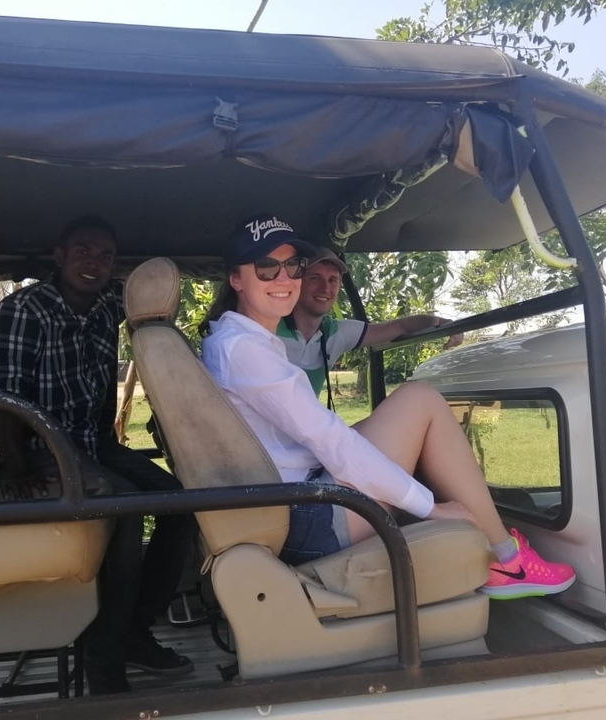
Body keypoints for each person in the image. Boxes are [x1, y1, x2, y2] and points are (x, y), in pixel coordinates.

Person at [199, 213, 575, 599]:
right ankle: (507, 558)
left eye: (293, 265)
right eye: (265, 267)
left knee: (410, 406)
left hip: (295, 499)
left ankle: (496, 549)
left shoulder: (238, 339)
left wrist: (430, 321)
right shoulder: (244, 349)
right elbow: (328, 438)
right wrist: (431, 508)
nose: (283, 279)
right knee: (421, 400)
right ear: (236, 280)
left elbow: (325, 429)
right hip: (308, 520)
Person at [0, 215, 195, 694]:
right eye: (82, 251)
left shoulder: (104, 308)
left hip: (92, 442)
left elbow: (149, 302)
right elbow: (5, 401)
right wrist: (13, 467)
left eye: (104, 256)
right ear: (59, 257)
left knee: (180, 503)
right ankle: (104, 658)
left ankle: (136, 631)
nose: (93, 263)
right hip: (38, 446)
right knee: (120, 508)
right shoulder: (24, 310)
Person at [277, 246, 463, 401]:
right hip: (258, 440)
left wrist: (442, 323)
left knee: (420, 396)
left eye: (332, 280)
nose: (325, 288)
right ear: (297, 282)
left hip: (304, 437)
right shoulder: (268, 325)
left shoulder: (335, 332)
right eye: (314, 278)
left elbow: (400, 327)